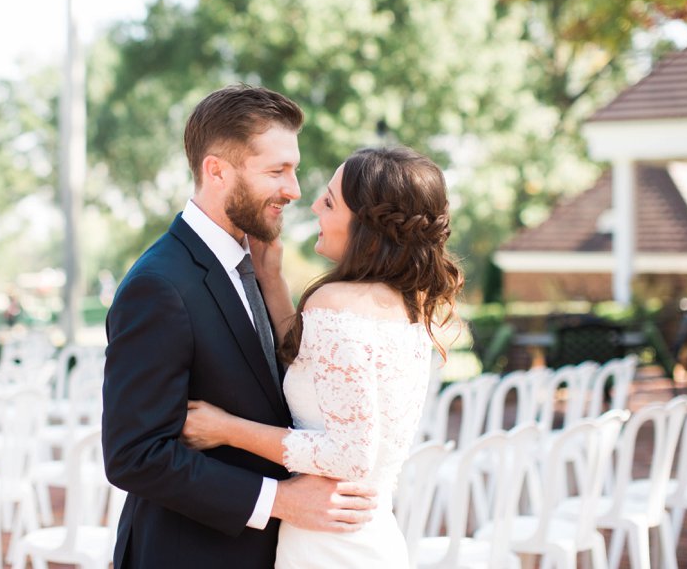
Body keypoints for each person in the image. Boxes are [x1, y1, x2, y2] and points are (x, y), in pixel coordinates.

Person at [102, 84, 378, 569]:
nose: (294, 190)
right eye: (277, 171)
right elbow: (134, 454)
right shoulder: (160, 285)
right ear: (217, 171)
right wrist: (281, 501)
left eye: (292, 169)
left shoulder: (255, 261)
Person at [183, 146, 464, 568]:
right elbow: (313, 364)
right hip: (366, 533)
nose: (313, 204)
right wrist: (272, 280)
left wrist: (224, 429)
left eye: (329, 201)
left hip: (330, 543)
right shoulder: (405, 306)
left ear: (367, 227)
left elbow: (349, 455)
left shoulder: (336, 302)